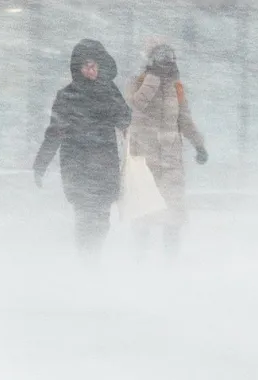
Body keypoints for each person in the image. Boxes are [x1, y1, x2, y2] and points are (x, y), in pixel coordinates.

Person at [33, 39, 132, 257]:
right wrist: (41, 163)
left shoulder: (108, 92)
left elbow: (125, 119)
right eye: (87, 65)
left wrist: (111, 94)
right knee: (85, 217)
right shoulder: (67, 96)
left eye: (95, 65)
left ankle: (91, 257)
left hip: (105, 165)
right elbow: (54, 133)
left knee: (102, 219)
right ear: (78, 68)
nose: (91, 70)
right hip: (77, 167)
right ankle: (86, 261)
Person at [126, 42, 208, 258]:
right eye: (162, 59)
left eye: (169, 59)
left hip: (171, 161)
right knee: (144, 213)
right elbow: (136, 106)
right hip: (145, 158)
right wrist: (153, 79)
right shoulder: (139, 82)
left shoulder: (176, 87)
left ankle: (171, 262)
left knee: (174, 213)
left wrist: (198, 144)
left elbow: (185, 119)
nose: (167, 64)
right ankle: (140, 260)